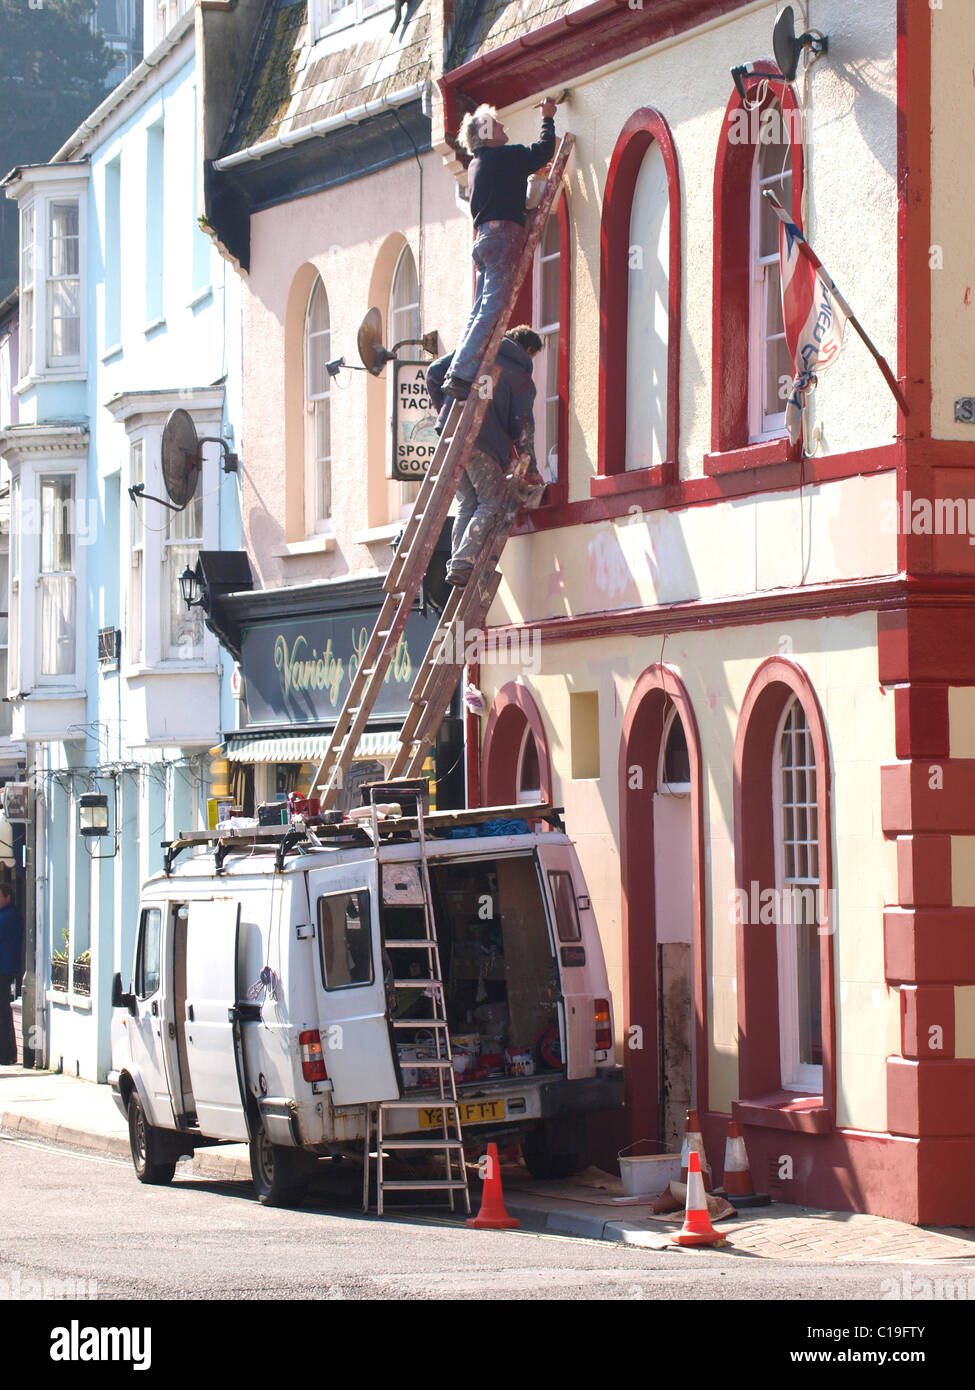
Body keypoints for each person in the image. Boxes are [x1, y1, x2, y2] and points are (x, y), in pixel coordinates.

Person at [441, 97, 558, 401]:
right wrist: (547, 116)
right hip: (504, 237)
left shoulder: (476, 166)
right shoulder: (504, 157)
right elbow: (545, 151)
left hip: (484, 241)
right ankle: (460, 374)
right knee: (491, 309)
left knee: (480, 308)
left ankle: (457, 368)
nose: (503, 125)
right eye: (496, 124)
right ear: (485, 136)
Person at [428, 325, 543, 586]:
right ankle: (463, 561)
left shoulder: (476, 349)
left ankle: (458, 563)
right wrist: (531, 467)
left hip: (453, 441)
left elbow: (434, 373)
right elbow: (524, 426)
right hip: (484, 443)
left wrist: (446, 413)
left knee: (468, 502)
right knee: (491, 501)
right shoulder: (520, 376)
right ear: (528, 350)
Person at [0, 883, 23, 1066]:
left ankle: (6, 1053)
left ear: (7, 897)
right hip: (4, 969)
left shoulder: (9, 916)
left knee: (3, 1014)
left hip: (4, 971)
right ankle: (7, 1053)